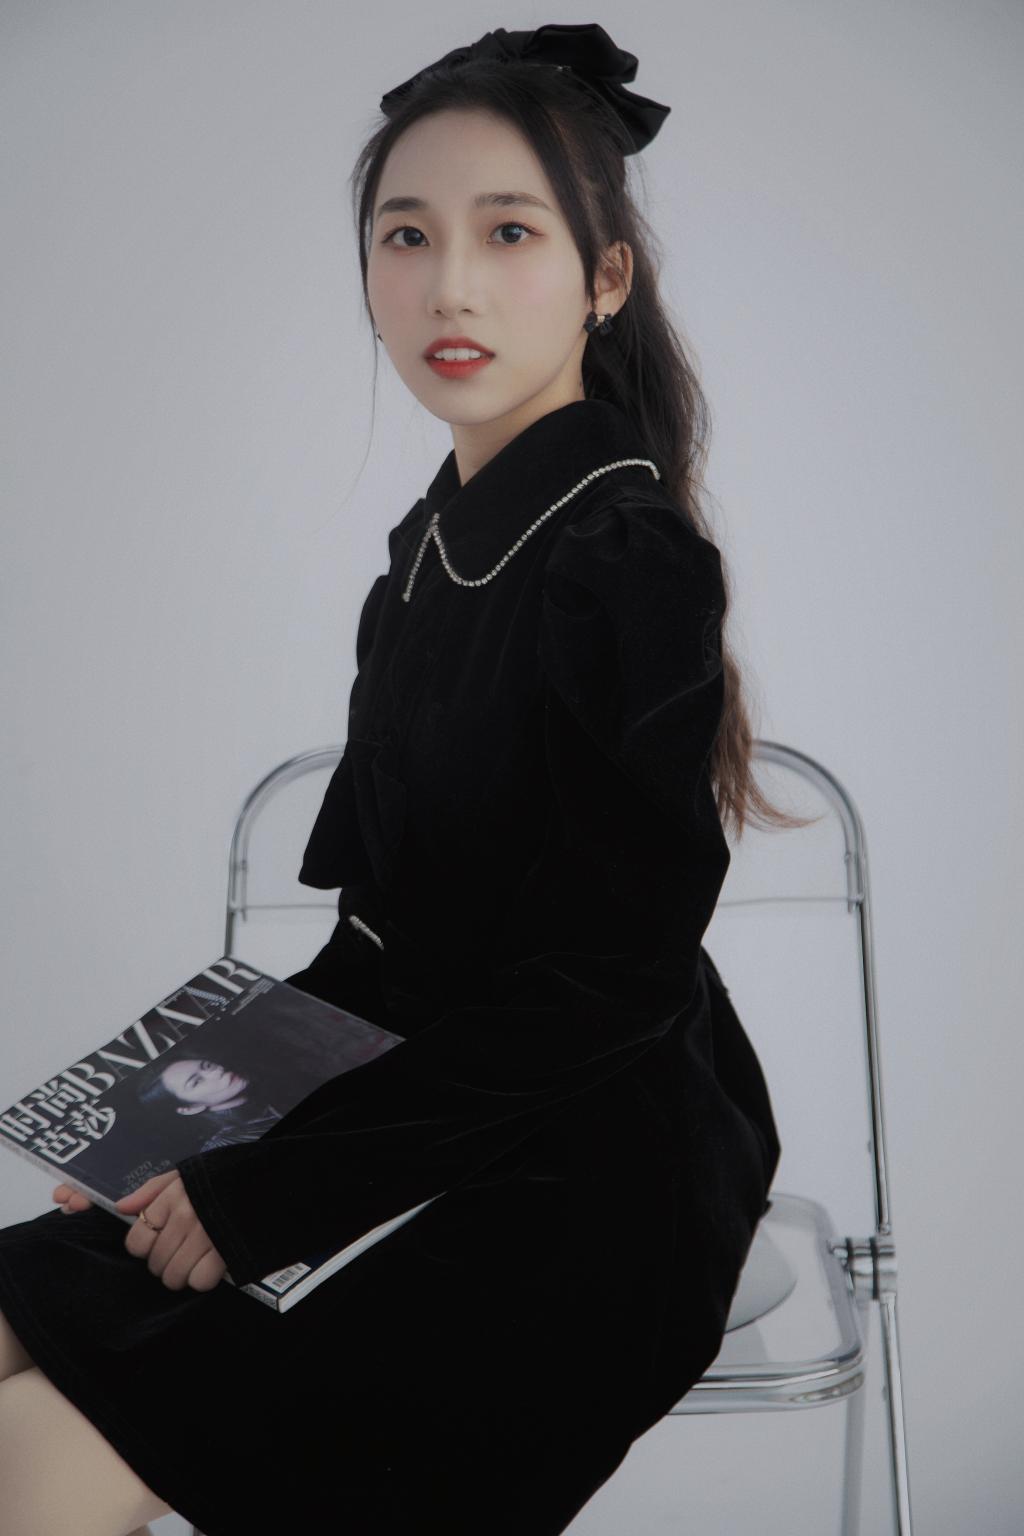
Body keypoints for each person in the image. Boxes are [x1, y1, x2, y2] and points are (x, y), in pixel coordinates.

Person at [0, 24, 793, 1535]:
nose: (451, 288)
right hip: (405, 1106)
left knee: (37, 1459)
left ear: (605, 278)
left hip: (595, 1171)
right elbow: (379, 951)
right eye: (407, 236)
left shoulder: (624, 558)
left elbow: (609, 985)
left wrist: (268, 1194)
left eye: (510, 234)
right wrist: (168, 1138)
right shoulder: (428, 557)